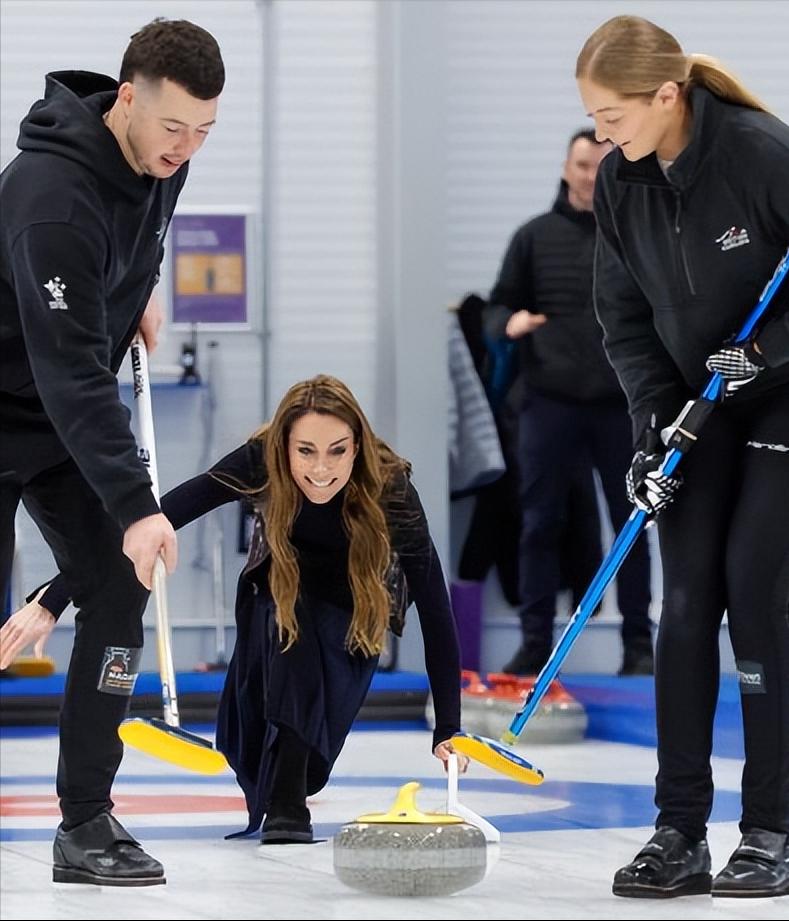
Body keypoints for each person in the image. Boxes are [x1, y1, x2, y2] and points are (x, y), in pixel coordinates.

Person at [5, 375, 466, 846]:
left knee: (315, 748)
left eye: (337, 451)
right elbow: (156, 521)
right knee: (293, 637)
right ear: (284, 446)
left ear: (358, 448)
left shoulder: (389, 485)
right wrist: (55, 595)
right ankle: (288, 805)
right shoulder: (259, 459)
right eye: (305, 450)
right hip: (278, 595)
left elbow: (434, 607)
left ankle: (292, 788)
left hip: (356, 610)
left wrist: (448, 725)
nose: (322, 469)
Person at [0, 19, 225, 886]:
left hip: (56, 416)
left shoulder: (163, 155)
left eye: (204, 131)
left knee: (120, 592)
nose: (186, 149)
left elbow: (140, 230)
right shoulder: (51, 198)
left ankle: (86, 822)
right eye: (174, 127)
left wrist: (134, 291)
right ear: (125, 99)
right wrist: (138, 505)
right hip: (36, 398)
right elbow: (69, 374)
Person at [577, 15, 789, 899]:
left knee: (754, 588)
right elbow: (623, 320)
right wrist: (651, 427)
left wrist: (767, 353)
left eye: (611, 116)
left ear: (666, 96)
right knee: (685, 602)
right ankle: (678, 828)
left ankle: (772, 827)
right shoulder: (622, 184)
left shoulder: (759, 152)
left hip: (779, 398)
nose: (600, 136)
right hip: (694, 407)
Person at [487, 129, 654, 677]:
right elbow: (497, 306)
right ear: (567, 168)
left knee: (632, 521)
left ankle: (638, 645)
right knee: (539, 523)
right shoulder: (534, 236)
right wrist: (507, 324)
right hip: (548, 402)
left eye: (599, 166)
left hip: (619, 403)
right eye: (582, 165)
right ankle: (535, 643)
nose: (589, 175)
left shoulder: (634, 233)